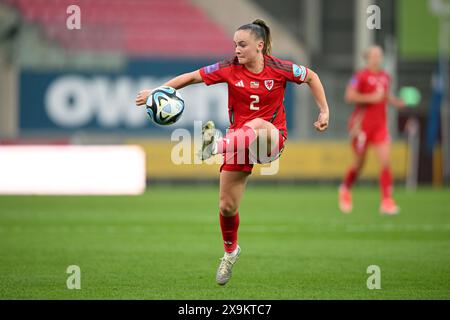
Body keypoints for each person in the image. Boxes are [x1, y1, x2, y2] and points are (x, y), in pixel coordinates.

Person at [135, 19, 330, 285]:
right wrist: (158, 91)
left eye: (242, 44)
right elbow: (192, 77)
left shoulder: (279, 68)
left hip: (269, 140)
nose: (236, 49)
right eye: (235, 44)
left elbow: (311, 77)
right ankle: (230, 252)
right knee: (227, 206)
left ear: (259, 46)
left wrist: (324, 110)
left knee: (258, 124)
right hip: (239, 142)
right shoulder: (228, 68)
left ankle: (214, 146)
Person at [339, 45, 405, 215]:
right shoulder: (360, 76)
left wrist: (395, 102)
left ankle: (386, 201)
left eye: (379, 55)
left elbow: (384, 95)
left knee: (385, 161)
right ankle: (345, 188)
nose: (377, 58)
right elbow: (349, 96)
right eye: (374, 55)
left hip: (380, 126)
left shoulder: (385, 77)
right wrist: (371, 98)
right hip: (361, 127)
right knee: (359, 164)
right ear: (367, 58)